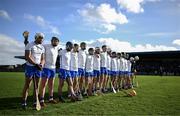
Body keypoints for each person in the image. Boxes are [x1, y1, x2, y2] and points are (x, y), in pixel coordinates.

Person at [21, 33, 45, 109]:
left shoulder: (42, 47)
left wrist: (41, 64)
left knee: (37, 86)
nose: (41, 39)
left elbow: (43, 58)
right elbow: (27, 56)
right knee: (28, 85)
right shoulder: (30, 45)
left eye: (42, 38)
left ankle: (35, 102)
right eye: (40, 38)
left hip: (38, 68)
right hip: (30, 67)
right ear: (36, 38)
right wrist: (35, 64)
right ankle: (24, 102)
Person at [39, 37, 60, 107]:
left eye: (56, 41)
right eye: (54, 41)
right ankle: (41, 100)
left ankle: (51, 98)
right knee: (43, 84)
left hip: (53, 68)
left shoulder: (57, 49)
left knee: (51, 84)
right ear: (51, 41)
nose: (55, 42)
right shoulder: (45, 46)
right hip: (46, 68)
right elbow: (37, 47)